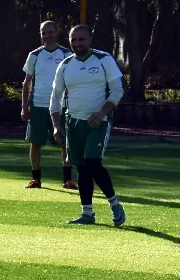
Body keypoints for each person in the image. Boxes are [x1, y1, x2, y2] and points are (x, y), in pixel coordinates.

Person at [50, 24, 127, 226]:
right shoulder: (65, 65)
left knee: (93, 161)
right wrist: (56, 125)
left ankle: (114, 204)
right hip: (73, 122)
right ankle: (87, 213)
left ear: (91, 39)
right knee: (82, 167)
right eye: (73, 40)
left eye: (81, 39)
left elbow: (117, 90)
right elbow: (56, 97)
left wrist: (102, 112)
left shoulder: (104, 59)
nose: (77, 43)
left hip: (98, 122)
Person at [21, 20, 74, 189]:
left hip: (61, 106)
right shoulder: (34, 55)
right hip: (38, 105)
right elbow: (27, 83)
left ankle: (68, 179)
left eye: (50, 32)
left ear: (56, 32)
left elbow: (73, 81)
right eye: (43, 33)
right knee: (35, 142)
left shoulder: (67, 54)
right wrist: (24, 107)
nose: (47, 35)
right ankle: (36, 179)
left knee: (65, 142)